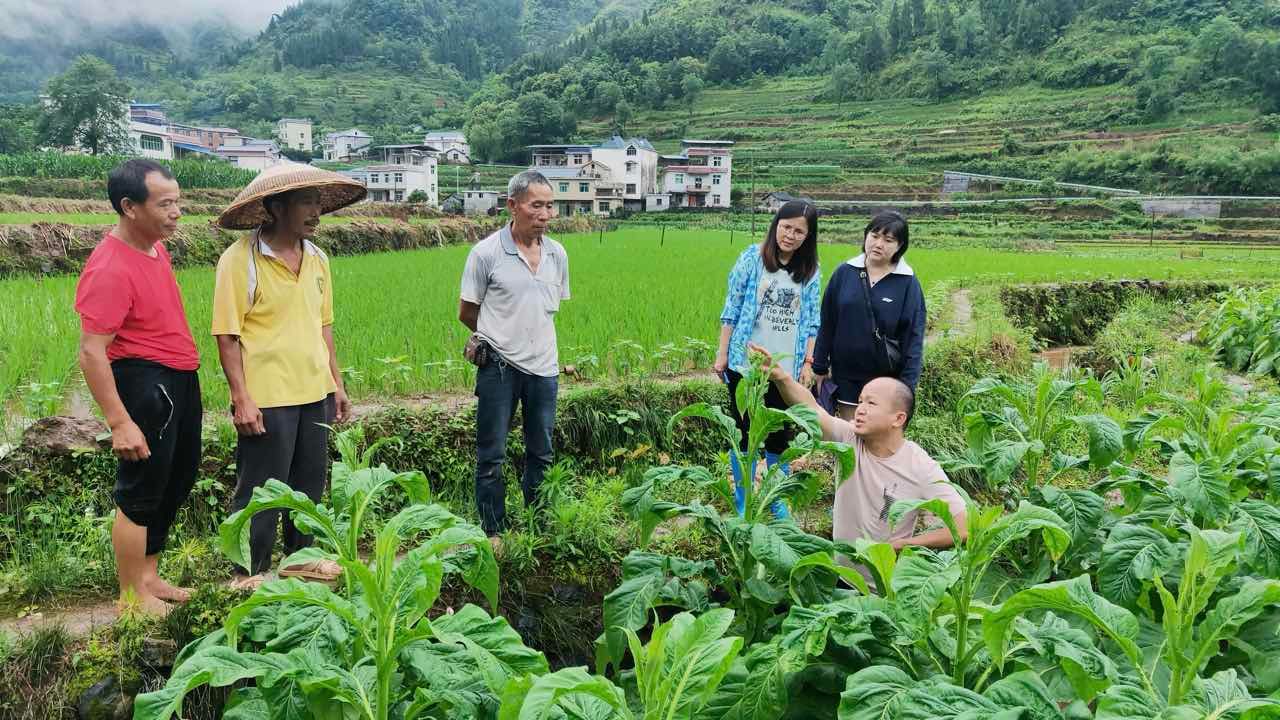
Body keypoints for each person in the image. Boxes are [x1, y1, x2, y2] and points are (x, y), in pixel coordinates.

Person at [212, 164, 364, 590]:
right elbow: (227, 336)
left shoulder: (318, 259)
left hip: (314, 389)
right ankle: (248, 570)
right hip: (268, 395)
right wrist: (241, 396)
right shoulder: (240, 260)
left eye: (317, 201)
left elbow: (323, 326)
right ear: (275, 208)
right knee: (260, 489)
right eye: (306, 202)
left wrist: (337, 383)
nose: (316, 211)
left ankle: (300, 560)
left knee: (308, 485)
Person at [75, 159, 202, 615]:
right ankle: (132, 595)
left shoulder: (155, 248)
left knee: (176, 478)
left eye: (178, 202)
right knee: (143, 487)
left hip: (179, 377)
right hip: (147, 383)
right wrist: (120, 422)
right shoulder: (109, 267)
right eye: (165, 204)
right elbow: (92, 351)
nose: (177, 213)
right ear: (129, 207)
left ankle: (149, 577)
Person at [752, 343, 966, 558]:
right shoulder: (849, 438)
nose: (860, 409)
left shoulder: (919, 466)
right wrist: (782, 378)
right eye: (860, 401)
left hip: (883, 586)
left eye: (871, 403)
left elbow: (963, 526)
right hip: (841, 577)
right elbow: (812, 409)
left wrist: (904, 544)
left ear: (898, 418)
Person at [459, 170, 569, 538]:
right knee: (492, 454)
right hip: (500, 369)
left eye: (550, 206)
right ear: (513, 205)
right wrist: (499, 337)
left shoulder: (557, 254)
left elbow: (547, 310)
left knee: (542, 451)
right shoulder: (486, 253)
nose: (545, 214)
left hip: (545, 370)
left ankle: (539, 525)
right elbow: (467, 312)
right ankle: (495, 532)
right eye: (536, 205)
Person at [712, 200, 822, 518]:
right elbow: (731, 309)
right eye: (786, 226)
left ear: (808, 236)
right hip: (744, 364)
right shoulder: (752, 258)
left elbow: (812, 321)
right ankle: (744, 499)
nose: (790, 235)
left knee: (778, 435)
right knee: (743, 433)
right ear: (776, 225)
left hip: (783, 370)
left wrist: (806, 363)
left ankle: (776, 500)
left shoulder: (810, 273)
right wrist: (722, 354)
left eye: (799, 231)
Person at [812, 211, 925, 420]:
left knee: (874, 439)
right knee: (847, 437)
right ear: (866, 236)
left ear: (900, 246)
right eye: (874, 236)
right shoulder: (845, 273)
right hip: (844, 377)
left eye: (888, 240)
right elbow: (827, 321)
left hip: (885, 382)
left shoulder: (907, 282)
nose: (878, 244)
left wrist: (908, 386)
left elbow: (914, 338)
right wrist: (819, 365)